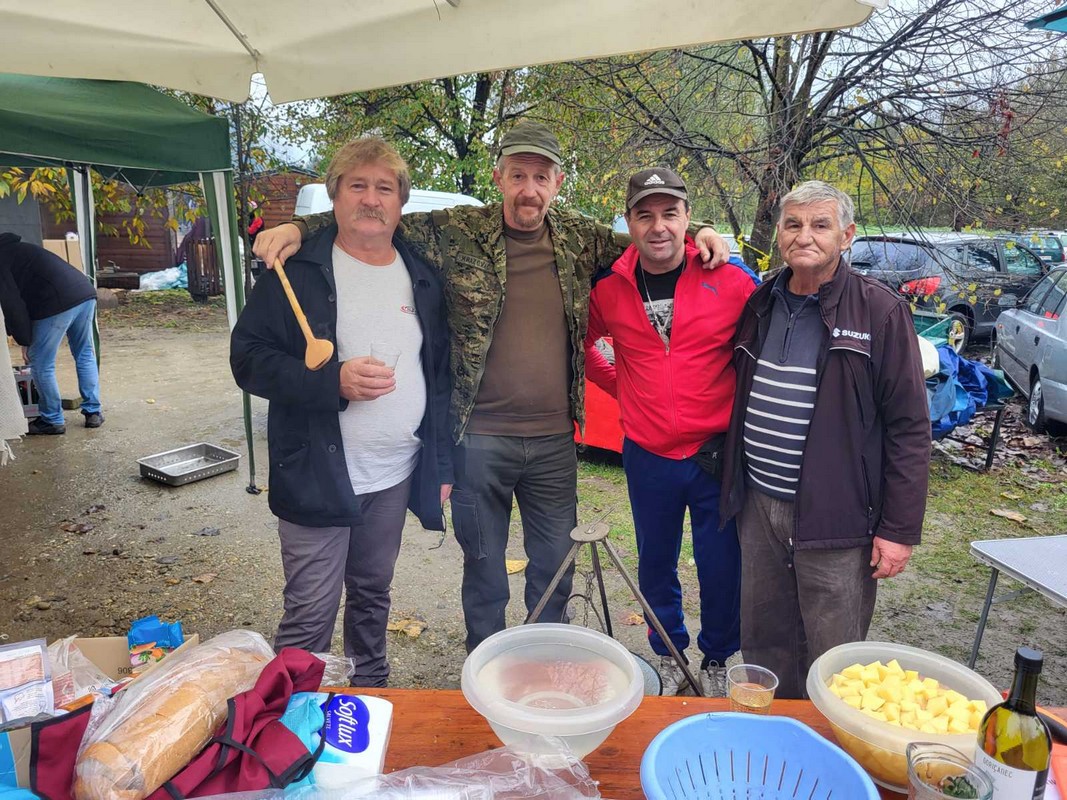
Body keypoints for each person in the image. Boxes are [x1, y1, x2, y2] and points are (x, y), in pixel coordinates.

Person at [253, 120, 732, 652]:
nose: (530, 189)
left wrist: (702, 232)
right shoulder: (457, 229)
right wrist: (300, 226)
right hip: (478, 439)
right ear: (499, 176)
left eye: (542, 177)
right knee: (483, 567)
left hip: (553, 443)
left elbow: (652, 234)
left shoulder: (580, 238)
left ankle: (542, 662)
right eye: (519, 175)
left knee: (554, 566)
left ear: (558, 182)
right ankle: (486, 666)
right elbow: (372, 218)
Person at [230, 137, 453, 686]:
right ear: (334, 197)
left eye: (384, 188)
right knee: (309, 613)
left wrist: (442, 462)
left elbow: (440, 373)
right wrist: (332, 381)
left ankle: (370, 695)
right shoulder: (297, 270)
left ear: (401, 202)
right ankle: (286, 727)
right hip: (317, 471)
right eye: (358, 185)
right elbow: (248, 359)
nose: (371, 199)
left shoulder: (422, 271)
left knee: (374, 595)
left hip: (395, 471)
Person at [720, 181, 931, 699]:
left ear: (847, 236)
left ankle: (828, 753)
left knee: (833, 653)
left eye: (820, 225)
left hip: (838, 519)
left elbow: (909, 427)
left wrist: (899, 530)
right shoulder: (762, 301)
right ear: (779, 234)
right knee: (765, 641)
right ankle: (775, 741)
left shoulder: (879, 313)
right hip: (759, 505)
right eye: (793, 224)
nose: (804, 236)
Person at [584, 168, 757, 695]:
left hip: (715, 454)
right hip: (648, 455)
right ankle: (670, 654)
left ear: (687, 219)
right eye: (644, 214)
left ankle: (718, 656)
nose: (657, 226)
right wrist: (625, 390)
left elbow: (763, 351)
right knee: (655, 561)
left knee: (721, 562)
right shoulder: (610, 289)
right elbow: (584, 347)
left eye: (669, 213)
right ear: (629, 222)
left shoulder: (731, 279)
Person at [0, 233, 103, 434]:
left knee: (40, 363)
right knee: (84, 354)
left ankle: (52, 420)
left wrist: (24, 340)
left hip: (56, 303)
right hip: (84, 293)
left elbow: (14, 307)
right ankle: (93, 412)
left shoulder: (1, 260)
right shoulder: (21, 249)